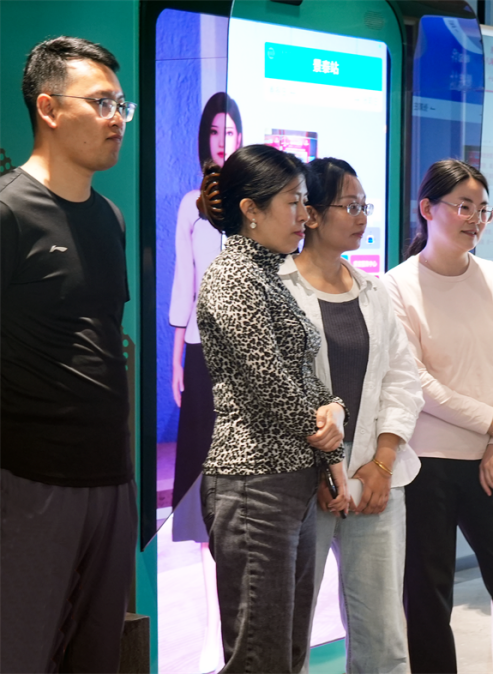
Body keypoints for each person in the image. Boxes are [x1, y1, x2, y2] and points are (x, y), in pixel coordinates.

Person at [0, 36, 138, 672]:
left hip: (110, 478)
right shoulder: (9, 210)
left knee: (96, 657)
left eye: (121, 105)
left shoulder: (109, 217)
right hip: (30, 480)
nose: (117, 119)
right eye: (101, 103)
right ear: (49, 108)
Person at [384, 159, 493, 674]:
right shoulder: (396, 286)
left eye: (482, 209)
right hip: (426, 464)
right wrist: (487, 420)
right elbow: (414, 379)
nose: (475, 219)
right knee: (427, 598)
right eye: (463, 207)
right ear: (427, 209)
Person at [195, 144, 349, 673]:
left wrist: (334, 411)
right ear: (251, 210)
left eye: (305, 201)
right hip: (252, 482)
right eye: (293, 202)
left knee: (287, 650)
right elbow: (270, 382)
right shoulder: (232, 276)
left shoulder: (270, 275)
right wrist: (327, 434)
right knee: (259, 654)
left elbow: (302, 373)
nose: (305, 215)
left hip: (291, 480)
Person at [279, 157, 424, 673]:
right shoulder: (280, 287)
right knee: (289, 629)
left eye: (365, 206)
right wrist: (328, 468)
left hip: (375, 477)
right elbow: (283, 391)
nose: (362, 217)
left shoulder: (373, 290)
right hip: (303, 481)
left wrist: (382, 463)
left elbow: (403, 379)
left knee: (382, 634)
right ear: (313, 214)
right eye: (350, 205)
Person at [168, 90, 242, 673]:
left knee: (235, 476)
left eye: (230, 131)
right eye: (214, 132)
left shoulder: (252, 202)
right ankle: (210, 630)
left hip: (241, 354)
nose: (222, 141)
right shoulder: (190, 205)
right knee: (198, 485)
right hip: (197, 352)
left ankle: (234, 627)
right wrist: (175, 359)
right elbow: (184, 281)